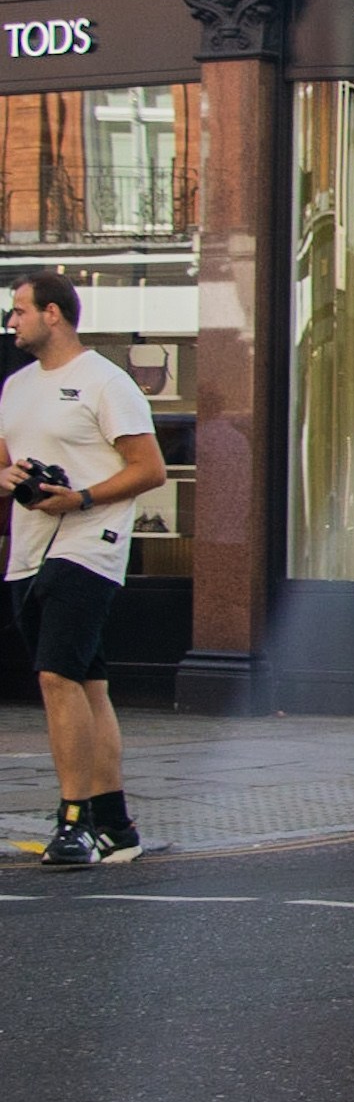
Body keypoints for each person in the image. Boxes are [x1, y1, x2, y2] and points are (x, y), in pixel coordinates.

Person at [0, 272, 168, 865]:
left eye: (19, 310)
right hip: (29, 551)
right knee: (87, 685)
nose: (11, 321)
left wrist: (84, 498)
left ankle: (72, 823)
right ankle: (116, 827)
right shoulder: (16, 387)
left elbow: (150, 469)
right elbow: (2, 462)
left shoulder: (105, 382)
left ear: (54, 314)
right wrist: (11, 479)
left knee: (55, 678)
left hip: (89, 543)